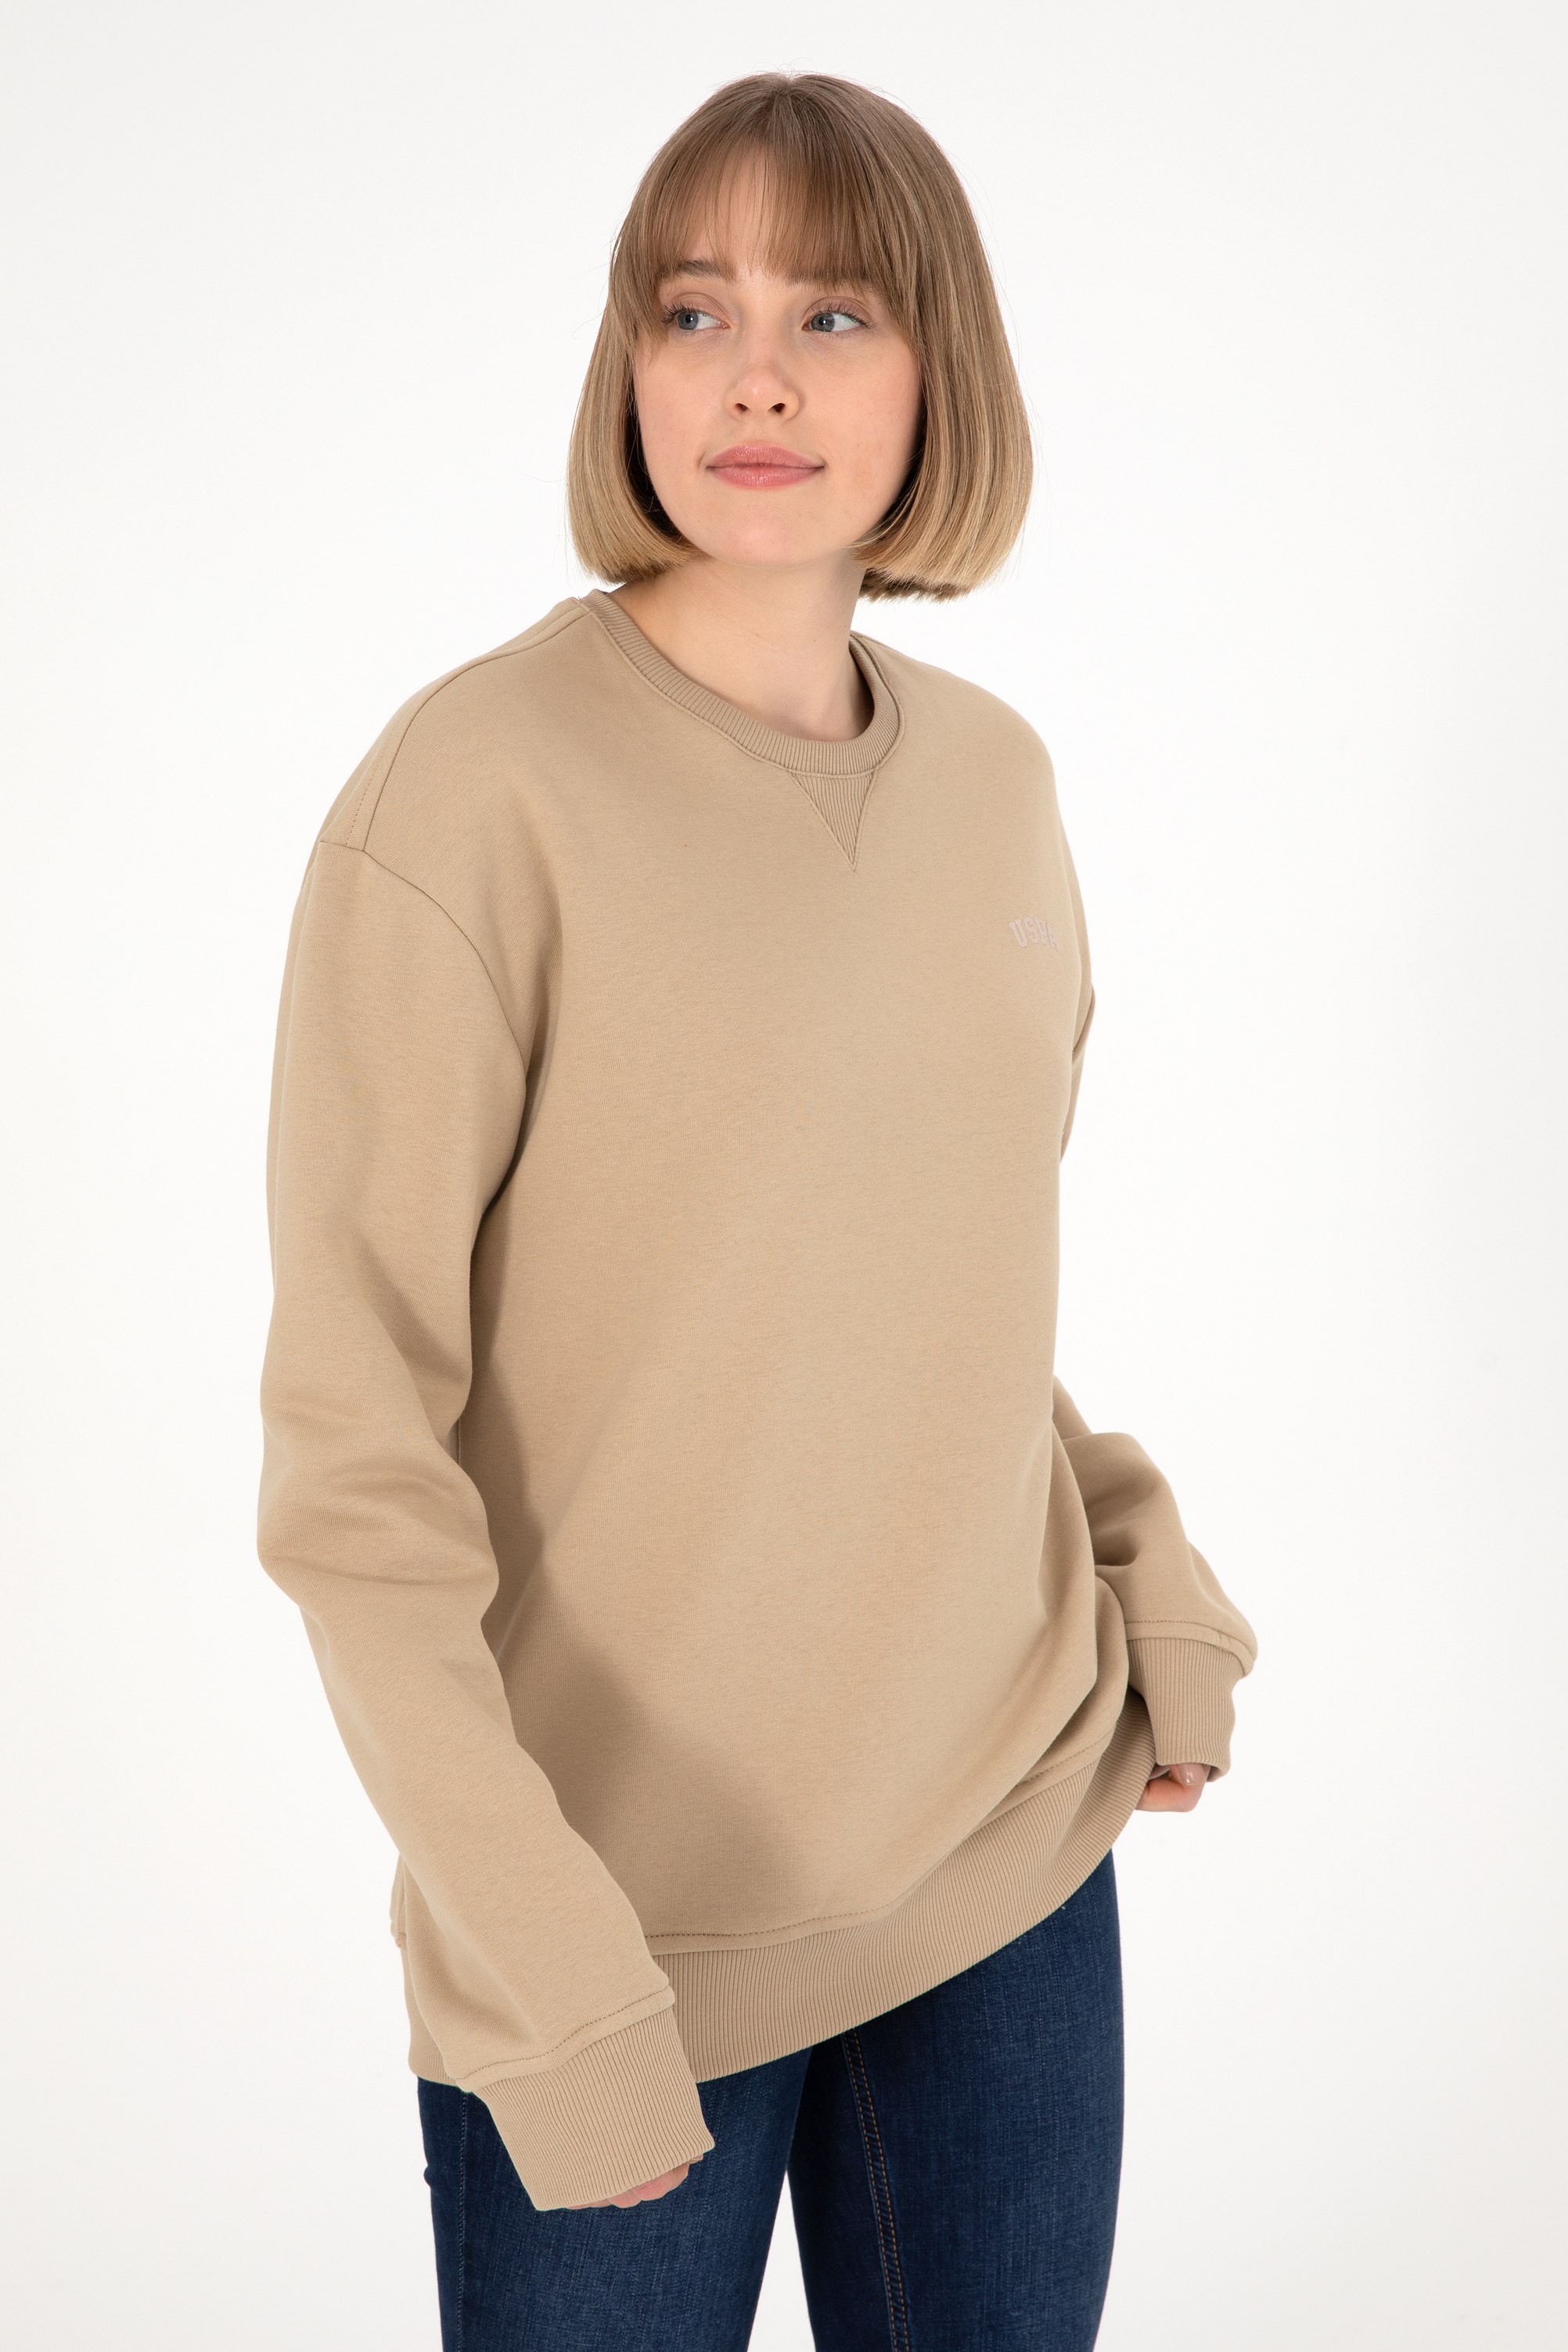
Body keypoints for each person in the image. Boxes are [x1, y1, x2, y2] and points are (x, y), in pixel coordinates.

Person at [258, 70, 1258, 2351]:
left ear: (940, 369)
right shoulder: (470, 797)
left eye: (835, 312)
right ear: (626, 360)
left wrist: (1146, 1571)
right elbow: (351, 1475)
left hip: (1008, 1854)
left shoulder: (995, 784)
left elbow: (927, 1296)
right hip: (629, 1937)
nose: (757, 377)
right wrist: (548, 1969)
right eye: (693, 308)